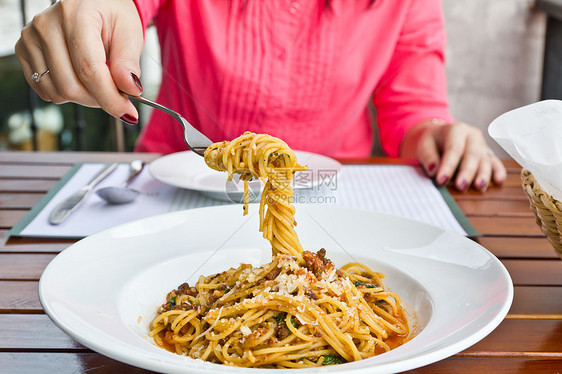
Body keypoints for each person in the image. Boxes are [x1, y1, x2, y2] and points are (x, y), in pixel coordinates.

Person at [15, 0, 506, 191]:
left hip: (328, 196)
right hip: (170, 187)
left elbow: (412, 114)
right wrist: (95, 14)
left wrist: (439, 136)